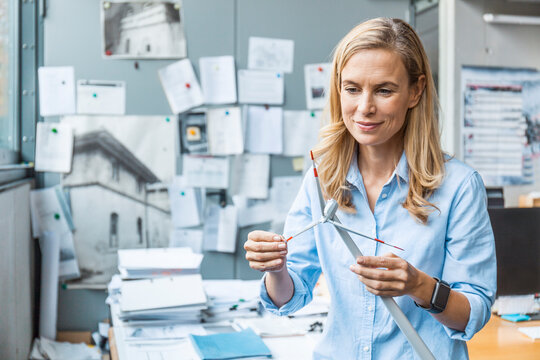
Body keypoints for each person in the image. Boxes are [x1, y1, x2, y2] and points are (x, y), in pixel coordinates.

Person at [244, 17, 496, 359]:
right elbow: (290, 297)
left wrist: (419, 286)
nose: (365, 108)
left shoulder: (459, 187)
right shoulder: (323, 178)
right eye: (352, 89)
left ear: (415, 91)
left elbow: (475, 314)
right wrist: (276, 269)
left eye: (384, 90)